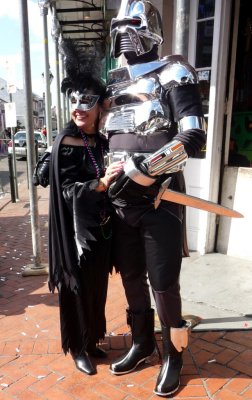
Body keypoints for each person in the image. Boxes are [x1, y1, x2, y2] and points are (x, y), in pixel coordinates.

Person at [99, 0, 207, 396]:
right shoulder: (113, 83)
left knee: (163, 282)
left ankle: (173, 354)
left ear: (149, 26)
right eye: (119, 25)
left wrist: (143, 172)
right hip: (119, 201)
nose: (124, 33)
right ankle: (142, 343)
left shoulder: (175, 71)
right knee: (130, 277)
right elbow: (104, 140)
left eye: (133, 24)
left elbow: (193, 137)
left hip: (160, 198)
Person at [48, 69, 123, 375]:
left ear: (99, 106)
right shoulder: (66, 141)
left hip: (99, 229)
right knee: (76, 287)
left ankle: (92, 340)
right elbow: (65, 192)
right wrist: (100, 184)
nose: (78, 107)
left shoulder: (102, 141)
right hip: (74, 232)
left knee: (97, 286)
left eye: (86, 101)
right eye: (74, 101)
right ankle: (77, 347)